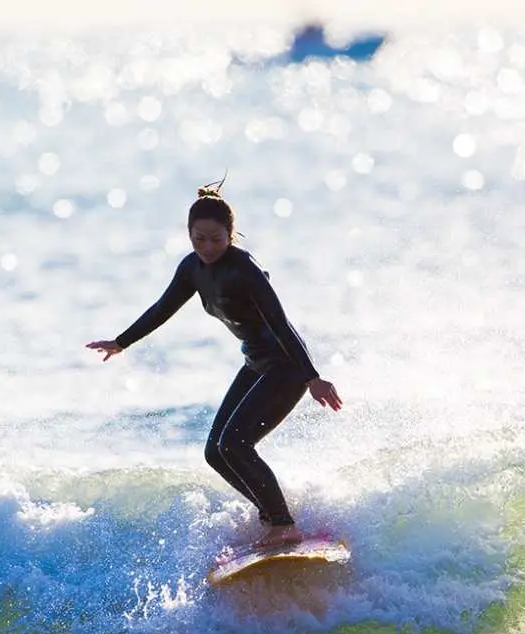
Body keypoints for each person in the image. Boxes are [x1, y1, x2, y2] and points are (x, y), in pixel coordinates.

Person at [86, 179, 343, 548]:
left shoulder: (244, 269)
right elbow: (163, 309)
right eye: (199, 239)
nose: (207, 247)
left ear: (231, 235)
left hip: (286, 367)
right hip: (256, 364)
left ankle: (282, 523)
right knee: (215, 452)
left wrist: (313, 377)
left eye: (216, 239)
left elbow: (281, 323)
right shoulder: (192, 268)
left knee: (236, 444)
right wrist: (121, 342)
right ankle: (272, 514)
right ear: (189, 234)